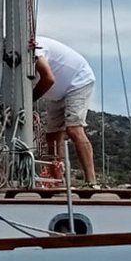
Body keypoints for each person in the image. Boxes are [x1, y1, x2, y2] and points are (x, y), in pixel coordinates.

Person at [33, 36, 98, 185]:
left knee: (74, 129)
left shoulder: (33, 51)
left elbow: (48, 79)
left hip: (78, 80)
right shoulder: (7, 64)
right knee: (52, 136)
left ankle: (91, 181)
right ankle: (56, 181)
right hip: (56, 93)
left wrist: (30, 100)